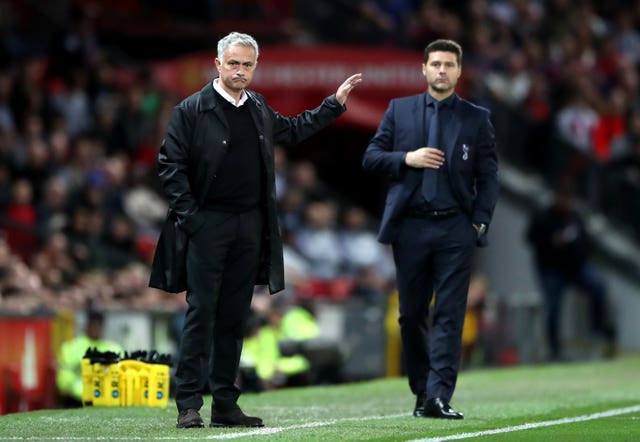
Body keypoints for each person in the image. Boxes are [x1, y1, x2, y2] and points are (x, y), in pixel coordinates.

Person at [148, 31, 362, 429]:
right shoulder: (191, 109)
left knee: (234, 317)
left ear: (255, 67)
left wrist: (333, 105)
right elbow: (170, 166)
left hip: (250, 225)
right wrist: (193, 218)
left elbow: (294, 130)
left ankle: (226, 404)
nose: (240, 71)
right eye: (233, 63)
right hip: (207, 223)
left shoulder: (259, 107)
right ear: (217, 64)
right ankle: (189, 404)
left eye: (247, 65)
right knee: (201, 313)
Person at [362, 39, 499, 420]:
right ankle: (422, 391)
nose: (442, 70)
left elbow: (489, 176)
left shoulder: (476, 117)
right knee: (410, 315)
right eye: (436, 64)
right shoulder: (399, 110)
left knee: (451, 315)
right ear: (423, 69)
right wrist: (408, 158)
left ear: (458, 71)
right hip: (410, 229)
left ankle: (439, 395)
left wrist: (480, 220)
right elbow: (371, 157)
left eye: (449, 64)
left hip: (456, 228)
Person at [525, 187, 615, 361]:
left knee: (598, 285)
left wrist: (575, 248)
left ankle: (598, 332)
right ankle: (554, 350)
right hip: (552, 270)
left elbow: (587, 243)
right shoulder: (544, 216)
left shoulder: (574, 217)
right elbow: (530, 238)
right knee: (552, 307)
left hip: (575, 267)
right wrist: (553, 241)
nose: (566, 203)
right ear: (557, 197)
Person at [56, 310, 122, 407]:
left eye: (99, 324)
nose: (96, 328)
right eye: (93, 324)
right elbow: (65, 377)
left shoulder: (113, 348)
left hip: (106, 399)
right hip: (77, 400)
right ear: (87, 325)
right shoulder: (71, 347)